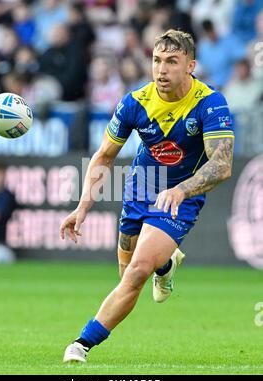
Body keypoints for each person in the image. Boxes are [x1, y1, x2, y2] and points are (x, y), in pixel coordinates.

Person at [60, 29, 234, 363]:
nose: (161, 69)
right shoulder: (136, 102)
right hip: (141, 186)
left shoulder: (210, 103)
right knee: (126, 274)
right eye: (156, 60)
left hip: (181, 194)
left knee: (138, 270)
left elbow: (222, 164)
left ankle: (81, 343)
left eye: (172, 61)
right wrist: (82, 207)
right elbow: (104, 156)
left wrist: (182, 190)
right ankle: (166, 264)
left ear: (190, 65)